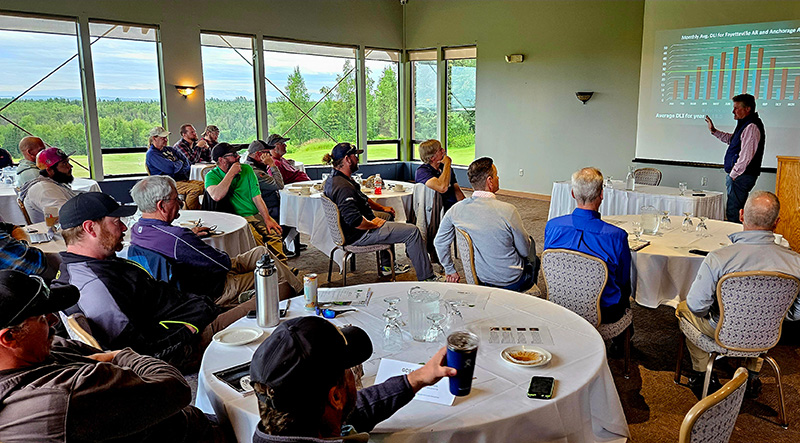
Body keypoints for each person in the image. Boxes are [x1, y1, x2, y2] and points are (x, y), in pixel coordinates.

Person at [0, 270, 230, 442]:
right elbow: (176, 387)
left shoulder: (42, 351)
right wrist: (122, 355)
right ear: (8, 337)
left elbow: (85, 352)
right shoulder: (63, 395)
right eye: (41, 317)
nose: (54, 321)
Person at [52, 192, 255, 372]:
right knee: (278, 294)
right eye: (116, 221)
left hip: (193, 312)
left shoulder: (89, 265)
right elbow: (136, 355)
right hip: (191, 340)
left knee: (265, 293)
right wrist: (191, 328)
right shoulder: (96, 288)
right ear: (90, 228)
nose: (124, 227)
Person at [250, 316, 455, 442]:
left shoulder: (286, 425)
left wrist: (417, 378)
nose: (353, 374)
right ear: (336, 397)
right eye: (348, 369)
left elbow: (354, 411)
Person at [676, 191, 800, 399]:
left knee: (683, 308)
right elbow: (796, 313)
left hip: (720, 331)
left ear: (741, 215)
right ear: (777, 222)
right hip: (767, 334)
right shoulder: (796, 262)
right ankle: (752, 374)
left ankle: (701, 374)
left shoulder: (718, 259)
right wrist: (771, 313)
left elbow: (697, 306)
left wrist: (722, 312)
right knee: (764, 316)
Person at [129, 175, 302, 306]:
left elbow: (169, 243)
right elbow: (221, 264)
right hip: (217, 288)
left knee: (261, 252)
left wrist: (189, 236)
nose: (181, 204)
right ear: (161, 205)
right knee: (271, 272)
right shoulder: (178, 238)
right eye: (177, 199)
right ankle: (301, 297)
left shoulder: (137, 230)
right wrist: (187, 238)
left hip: (196, 279)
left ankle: (300, 290)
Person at [323, 143, 437, 280]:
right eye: (355, 156)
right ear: (347, 159)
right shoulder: (343, 187)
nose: (358, 159)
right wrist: (373, 224)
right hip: (360, 234)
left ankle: (387, 266)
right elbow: (355, 221)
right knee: (412, 232)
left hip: (352, 229)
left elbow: (361, 197)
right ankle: (427, 277)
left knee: (387, 215)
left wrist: (382, 209)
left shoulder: (334, 179)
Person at [434, 157, 538, 292]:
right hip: (510, 281)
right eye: (496, 175)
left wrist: (450, 270)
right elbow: (524, 251)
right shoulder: (508, 210)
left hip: (480, 278)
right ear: (489, 181)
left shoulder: (455, 210)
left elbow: (439, 242)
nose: (498, 178)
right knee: (532, 248)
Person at [544, 167, 631, 324]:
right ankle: (621, 344)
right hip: (603, 311)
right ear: (601, 195)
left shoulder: (552, 226)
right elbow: (623, 280)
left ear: (573, 194)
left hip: (559, 303)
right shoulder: (617, 236)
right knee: (624, 293)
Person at [205, 143, 287, 264]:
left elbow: (257, 197)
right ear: (221, 160)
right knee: (257, 240)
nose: (238, 157)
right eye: (233, 155)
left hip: (254, 214)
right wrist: (231, 174)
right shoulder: (212, 176)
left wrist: (267, 218)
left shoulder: (247, 169)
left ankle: (282, 269)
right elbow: (216, 195)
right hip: (237, 218)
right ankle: (269, 270)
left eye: (237, 154)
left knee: (274, 233)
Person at [704, 93, 765, 223]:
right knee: (734, 210)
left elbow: (746, 156)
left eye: (736, 108)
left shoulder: (751, 126)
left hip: (741, 176)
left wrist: (733, 175)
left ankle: (735, 240)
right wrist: (714, 131)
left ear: (747, 109)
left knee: (734, 211)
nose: (733, 111)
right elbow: (733, 140)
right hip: (739, 176)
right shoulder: (744, 124)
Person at [145, 126, 204, 210]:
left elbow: (186, 161)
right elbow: (170, 168)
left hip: (179, 180)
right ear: (154, 138)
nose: (166, 140)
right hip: (166, 184)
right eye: (163, 138)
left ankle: (192, 208)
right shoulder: (152, 154)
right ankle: (190, 213)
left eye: (166, 137)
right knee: (195, 189)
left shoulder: (169, 149)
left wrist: (177, 167)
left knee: (205, 185)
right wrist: (178, 164)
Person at [19, 147, 78, 223]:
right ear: (49, 170)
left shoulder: (53, 183)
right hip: (57, 233)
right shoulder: (45, 190)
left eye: (68, 162)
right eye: (64, 163)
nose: (70, 166)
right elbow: (65, 218)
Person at [415, 139, 465, 213]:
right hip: (436, 212)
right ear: (432, 157)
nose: (443, 150)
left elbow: (456, 189)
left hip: (453, 209)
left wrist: (464, 206)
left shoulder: (445, 168)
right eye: (440, 150)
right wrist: (447, 163)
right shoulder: (422, 172)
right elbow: (442, 187)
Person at [244, 140, 284, 221]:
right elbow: (279, 185)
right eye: (267, 153)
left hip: (269, 204)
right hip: (268, 207)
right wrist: (272, 165)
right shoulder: (255, 172)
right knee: (292, 214)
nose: (270, 156)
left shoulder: (250, 165)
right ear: (259, 154)